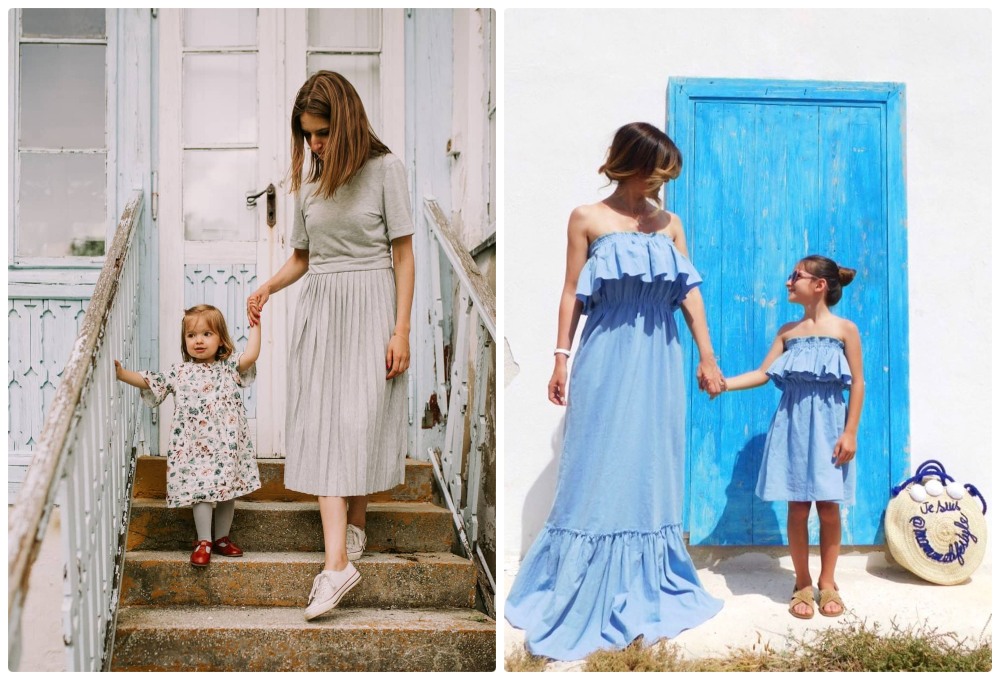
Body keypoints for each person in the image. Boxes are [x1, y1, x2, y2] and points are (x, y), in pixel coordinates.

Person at [505, 122, 725, 661]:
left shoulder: (670, 225)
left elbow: (689, 296)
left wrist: (708, 355)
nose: (662, 185)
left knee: (651, 464)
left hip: (660, 358)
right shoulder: (587, 218)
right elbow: (570, 294)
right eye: (658, 172)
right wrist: (560, 358)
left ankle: (649, 581)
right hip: (605, 354)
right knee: (597, 461)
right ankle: (581, 583)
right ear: (633, 163)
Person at [246, 71, 415, 621]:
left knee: (359, 420)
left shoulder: (386, 170)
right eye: (307, 136)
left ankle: (345, 550)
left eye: (321, 133)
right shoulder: (313, 185)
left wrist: (402, 330)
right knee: (324, 422)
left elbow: (404, 256)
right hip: (321, 308)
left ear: (345, 123)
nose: (314, 145)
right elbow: (304, 255)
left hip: (372, 304)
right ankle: (340, 557)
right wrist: (268, 286)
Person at [721, 255, 864, 619]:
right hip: (792, 428)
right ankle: (802, 583)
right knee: (797, 507)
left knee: (829, 507)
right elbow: (762, 373)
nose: (788, 282)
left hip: (831, 428)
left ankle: (828, 582)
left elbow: (859, 383)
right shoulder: (787, 332)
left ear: (818, 285)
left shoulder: (845, 330)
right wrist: (724, 385)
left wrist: (850, 432)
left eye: (795, 276)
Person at [115, 304, 262, 567]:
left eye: (207, 334)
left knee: (228, 490)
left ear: (220, 339)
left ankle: (222, 538)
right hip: (194, 447)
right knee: (201, 492)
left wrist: (256, 326)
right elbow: (151, 381)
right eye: (192, 335)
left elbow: (250, 356)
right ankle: (204, 540)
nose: (199, 341)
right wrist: (122, 374)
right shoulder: (180, 372)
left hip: (226, 445)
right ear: (185, 341)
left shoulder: (227, 367)